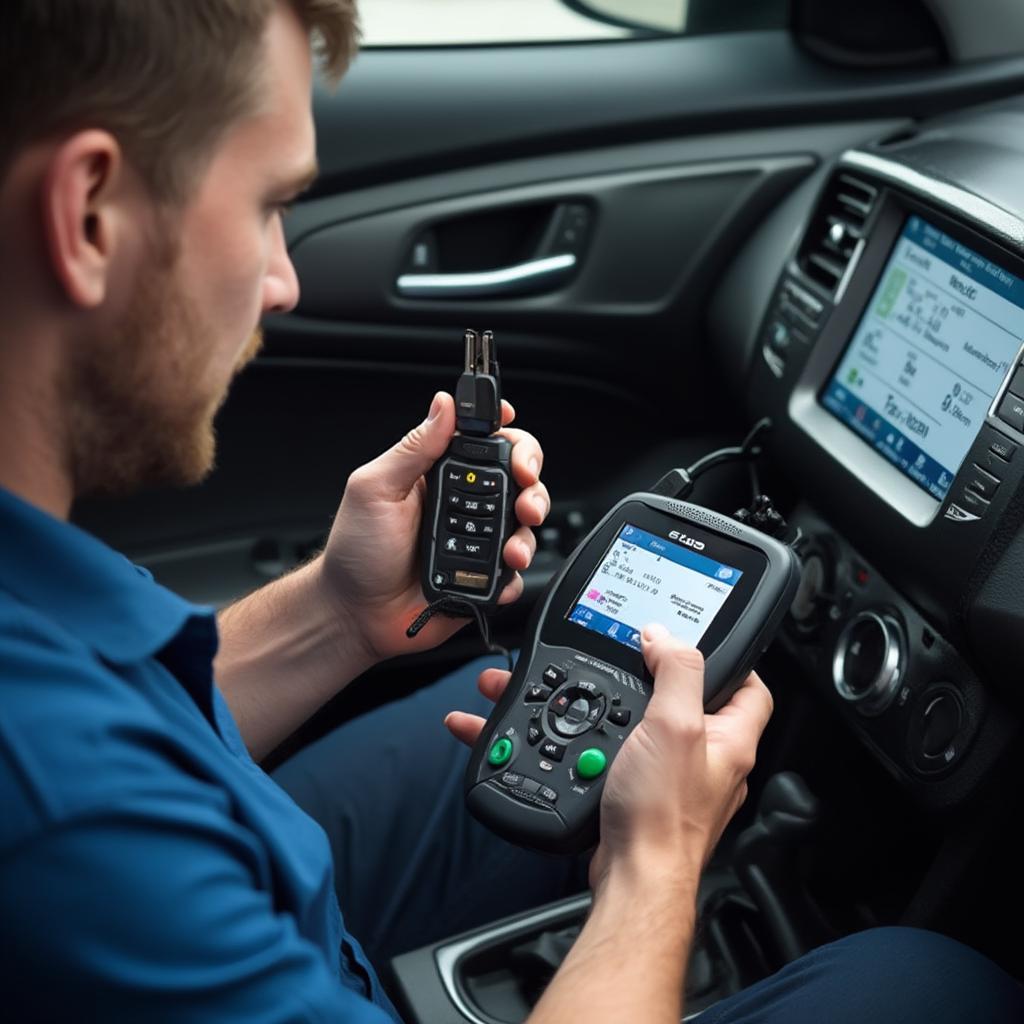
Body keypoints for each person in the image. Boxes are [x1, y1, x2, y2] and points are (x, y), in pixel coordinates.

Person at [0, 2, 1022, 1022]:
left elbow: (133, 694)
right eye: (269, 206)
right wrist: (653, 866)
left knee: (482, 733)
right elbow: (88, 781)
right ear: (89, 213)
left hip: (212, 839)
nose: (283, 281)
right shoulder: (77, 826)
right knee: (930, 982)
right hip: (198, 893)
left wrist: (337, 616)